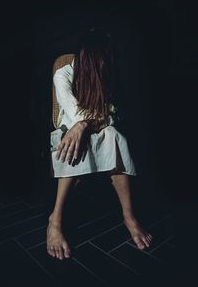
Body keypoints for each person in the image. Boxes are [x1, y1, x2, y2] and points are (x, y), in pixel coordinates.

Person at [47, 29, 153, 260]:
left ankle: (129, 216)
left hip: (97, 127)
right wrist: (81, 126)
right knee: (74, 142)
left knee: (115, 135)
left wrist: (86, 125)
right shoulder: (63, 73)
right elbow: (73, 112)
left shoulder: (106, 74)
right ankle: (54, 220)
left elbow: (113, 113)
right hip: (69, 130)